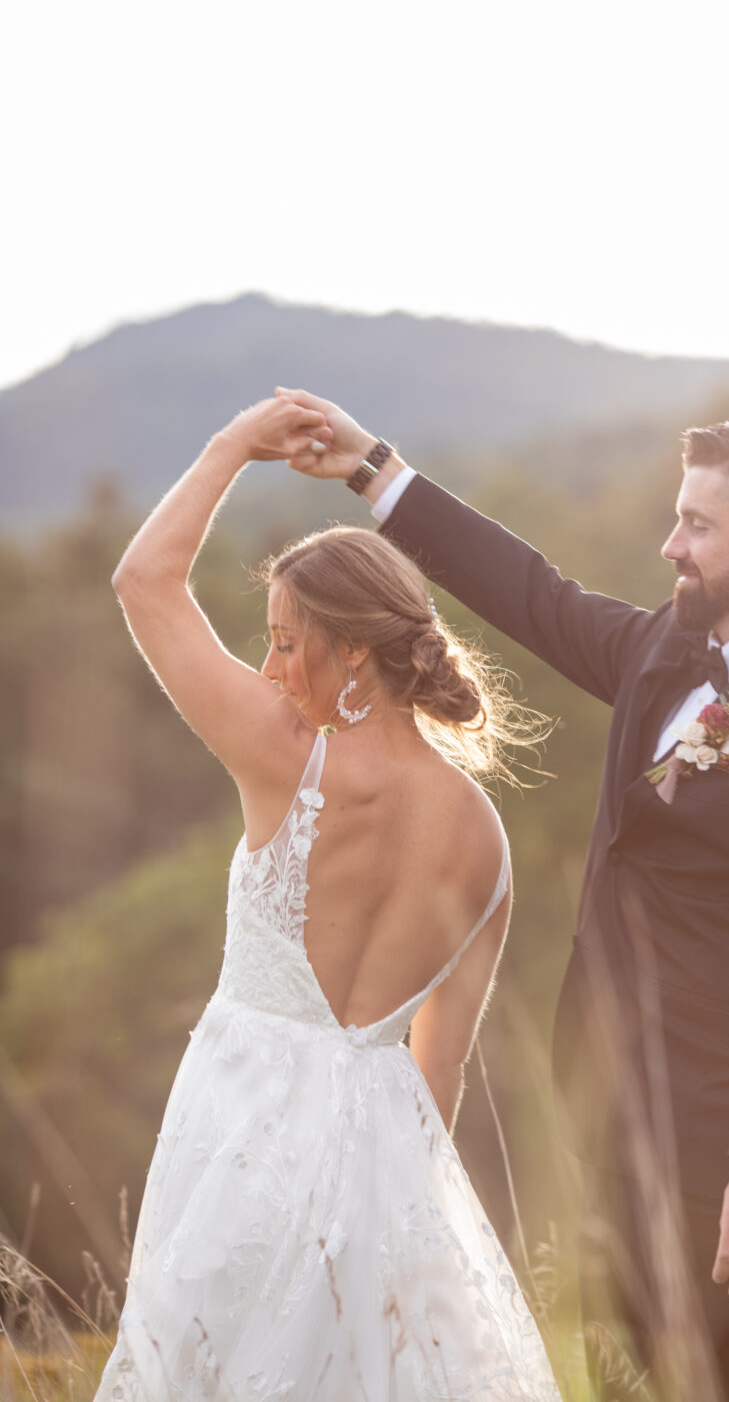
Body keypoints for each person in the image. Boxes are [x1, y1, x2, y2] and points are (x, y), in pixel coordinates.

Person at [280, 391, 729, 1401]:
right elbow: (530, 592)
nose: (670, 545)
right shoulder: (663, 652)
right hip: (615, 1129)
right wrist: (371, 469)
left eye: (697, 525)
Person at [94, 395, 562, 1401]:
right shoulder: (487, 837)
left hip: (244, 1124)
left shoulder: (281, 757)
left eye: (282, 642)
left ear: (354, 649)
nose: (268, 668)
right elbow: (442, 1073)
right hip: (386, 1160)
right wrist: (402, 1223)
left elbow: (143, 581)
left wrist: (232, 445)